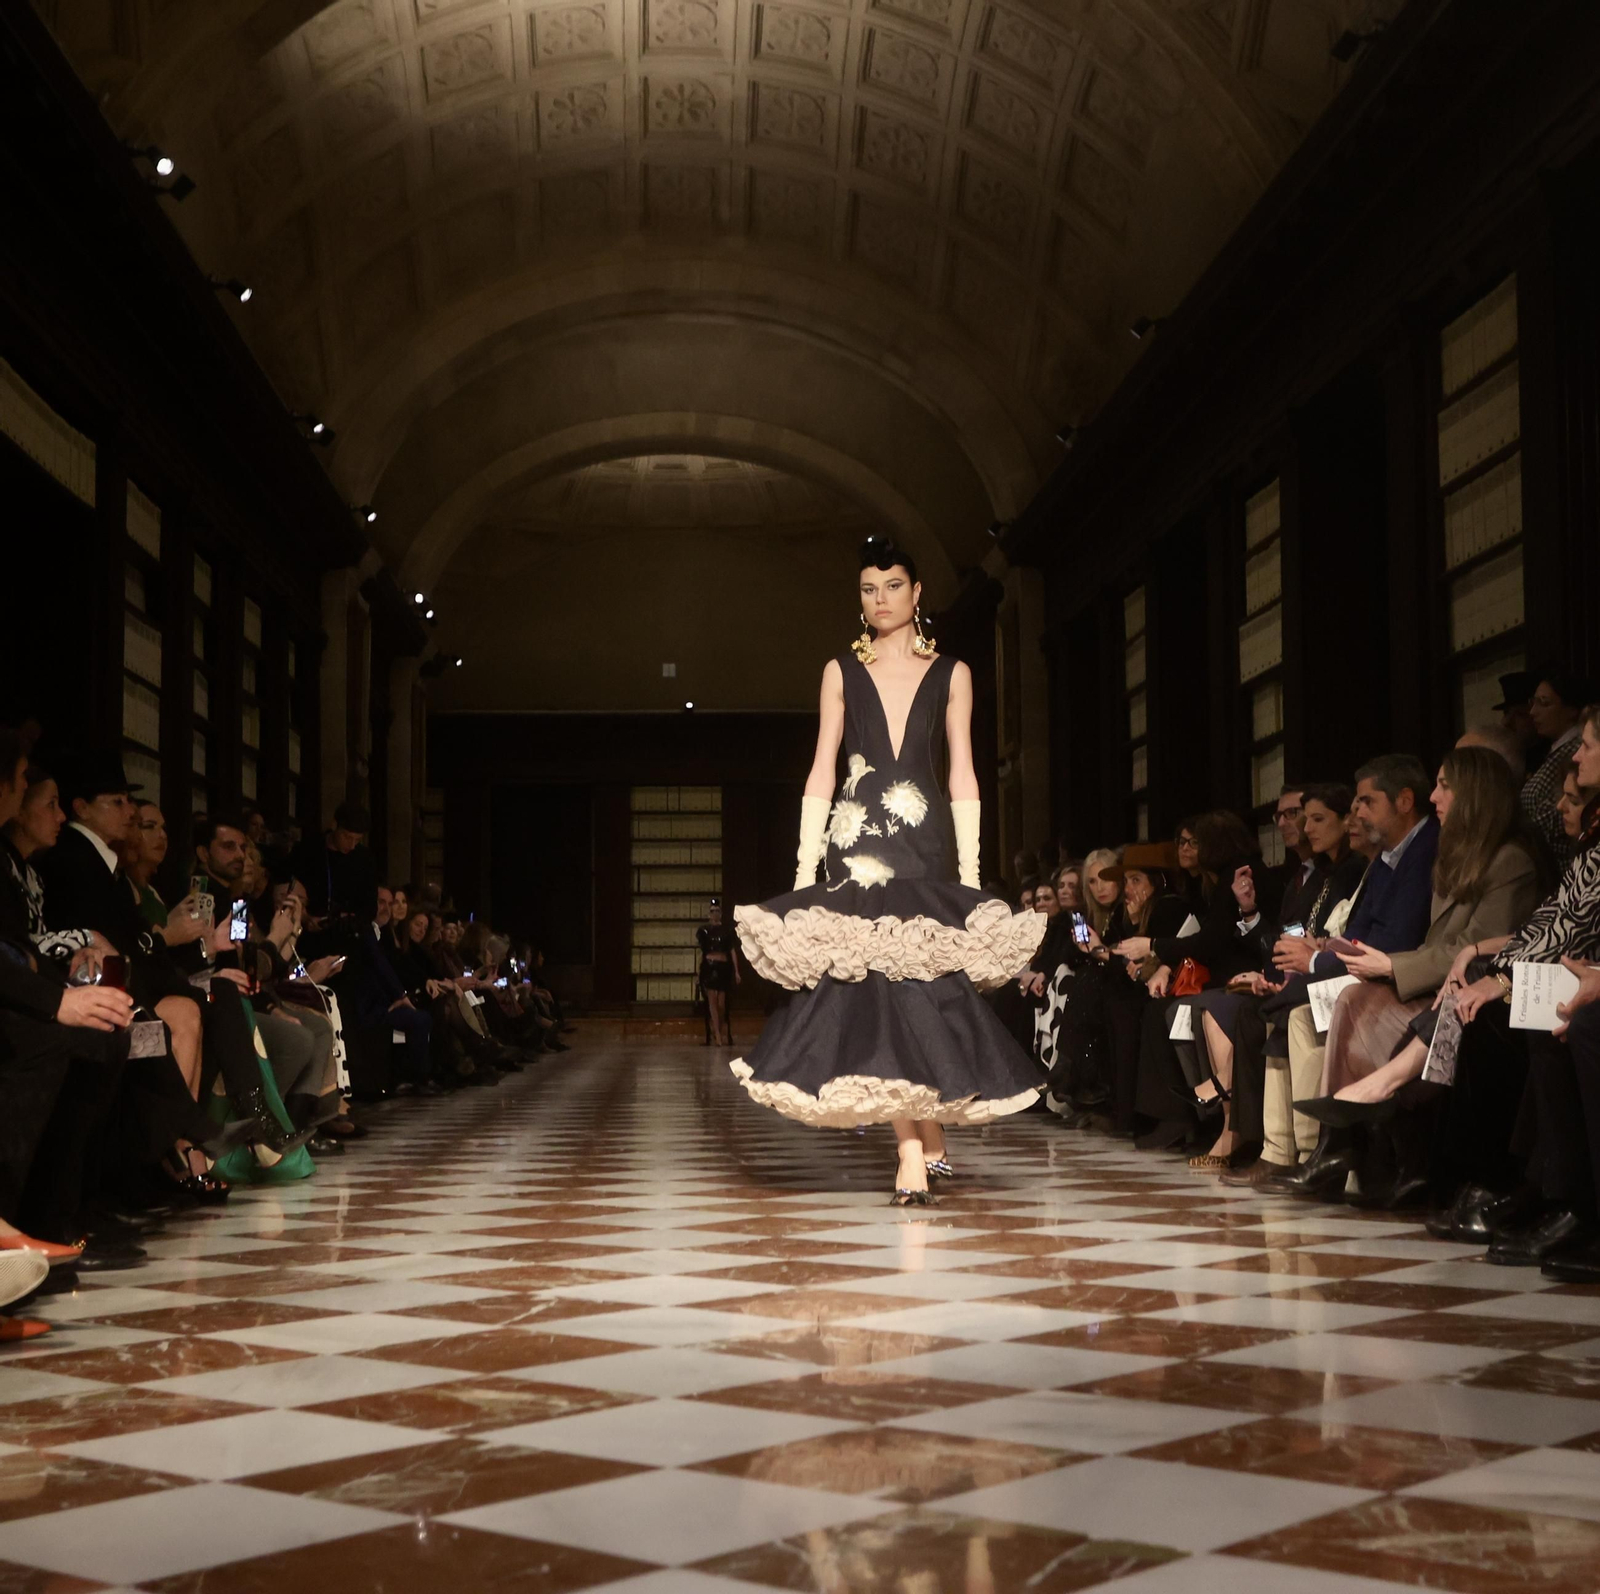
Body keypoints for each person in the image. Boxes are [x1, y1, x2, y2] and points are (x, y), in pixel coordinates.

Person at [729, 535, 1045, 1203]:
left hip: (926, 844)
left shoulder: (952, 671)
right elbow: (822, 766)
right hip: (857, 844)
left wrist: (969, 868)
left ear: (916, 592)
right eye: (870, 589)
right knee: (879, 992)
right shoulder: (840, 671)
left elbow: (963, 769)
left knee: (923, 991)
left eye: (893, 586)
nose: (881, 600)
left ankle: (925, 1139)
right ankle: (911, 1151)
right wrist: (804, 865)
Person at [1522, 670, 1593, 861]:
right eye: (1533, 702)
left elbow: (1553, 816)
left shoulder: (1573, 751)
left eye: (1544, 703)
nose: (1533, 712)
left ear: (1572, 709)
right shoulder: (1551, 750)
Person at [697, 897, 740, 1046]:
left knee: (721, 1004)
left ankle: (718, 1028)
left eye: (717, 911)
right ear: (709, 914)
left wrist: (736, 971)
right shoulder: (704, 930)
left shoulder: (727, 930)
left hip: (723, 967)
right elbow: (701, 953)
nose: (715, 914)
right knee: (712, 1002)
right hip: (709, 966)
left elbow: (732, 950)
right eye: (712, 911)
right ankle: (717, 1034)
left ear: (721, 913)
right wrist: (698, 973)